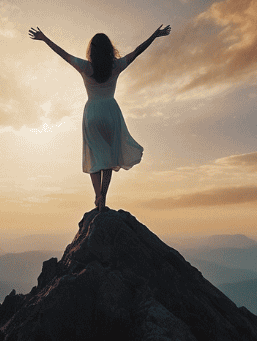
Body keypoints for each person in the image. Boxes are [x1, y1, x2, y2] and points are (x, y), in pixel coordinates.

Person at [29, 24, 171, 211]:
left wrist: (44, 38)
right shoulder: (116, 66)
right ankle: (103, 196)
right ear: (109, 50)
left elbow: (62, 54)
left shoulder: (85, 67)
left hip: (92, 114)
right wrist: (155, 35)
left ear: (92, 50)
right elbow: (137, 51)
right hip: (111, 113)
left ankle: (98, 196)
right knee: (109, 159)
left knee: (95, 156)